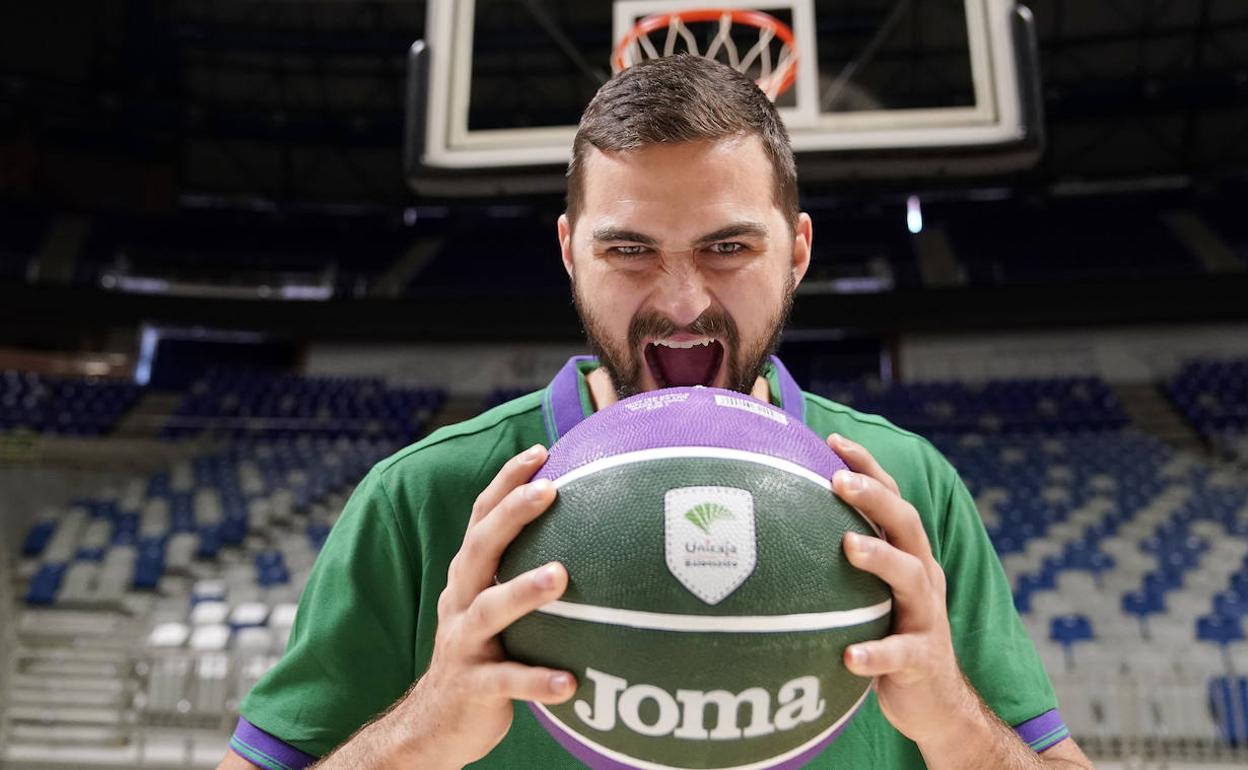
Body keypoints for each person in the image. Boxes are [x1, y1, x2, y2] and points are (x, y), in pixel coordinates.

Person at [219, 55, 1092, 770]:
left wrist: (958, 731)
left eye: (728, 248)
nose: (680, 304)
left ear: (797, 252)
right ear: (570, 254)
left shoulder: (903, 488)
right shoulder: (421, 498)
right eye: (629, 250)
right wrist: (418, 735)